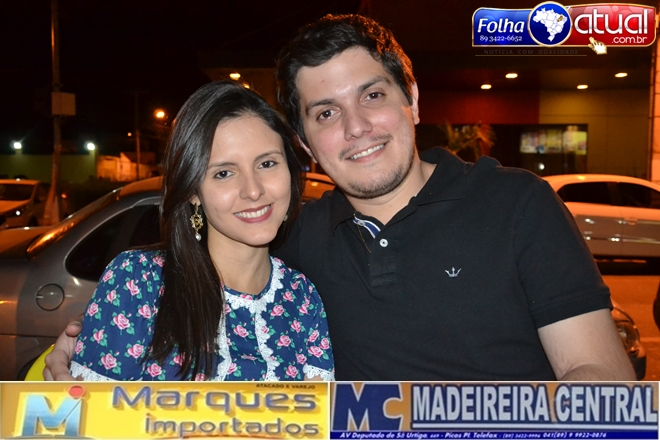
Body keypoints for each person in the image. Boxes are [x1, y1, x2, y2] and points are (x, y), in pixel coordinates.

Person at [46, 14, 633, 381]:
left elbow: (598, 375)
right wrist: (65, 373)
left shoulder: (517, 204)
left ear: (412, 100)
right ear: (305, 142)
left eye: (372, 95)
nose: (356, 127)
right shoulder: (298, 240)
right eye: (326, 112)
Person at [65, 81, 334, 381]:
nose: (253, 190)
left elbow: (319, 410)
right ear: (193, 191)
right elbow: (87, 409)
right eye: (224, 173)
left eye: (267, 163)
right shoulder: (139, 281)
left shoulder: (302, 298)